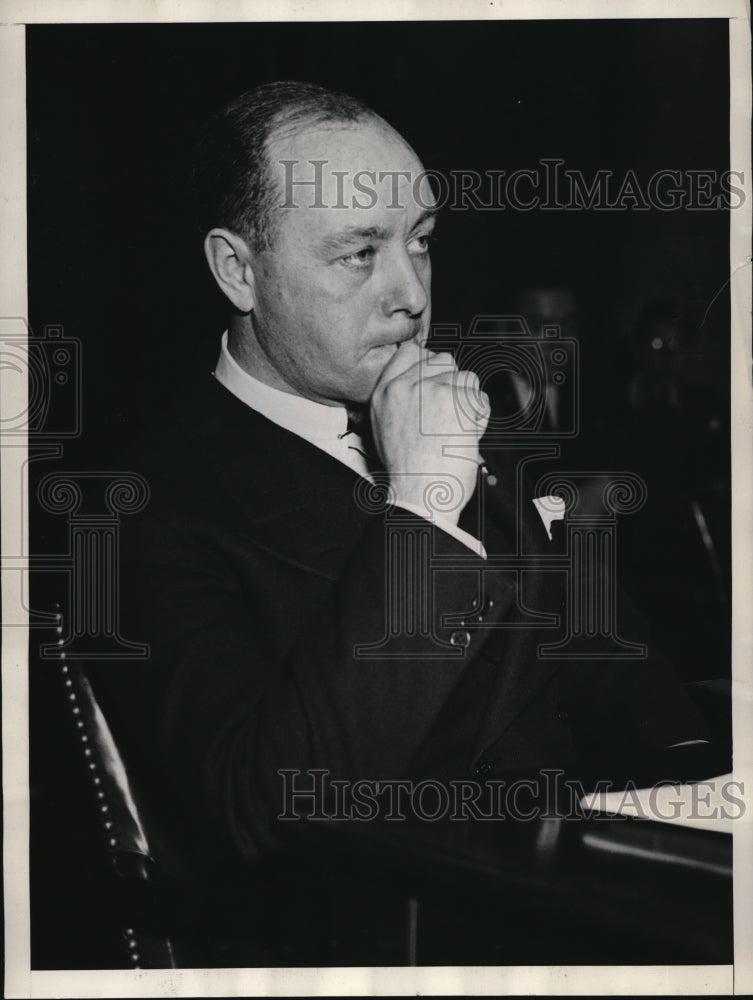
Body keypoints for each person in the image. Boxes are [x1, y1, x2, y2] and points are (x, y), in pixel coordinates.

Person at [94, 81, 710, 876]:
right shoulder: (144, 510)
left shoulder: (464, 412)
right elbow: (266, 813)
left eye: (419, 240)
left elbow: (613, 670)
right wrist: (422, 503)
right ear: (237, 271)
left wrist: (705, 802)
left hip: (581, 894)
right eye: (359, 253)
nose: (413, 296)